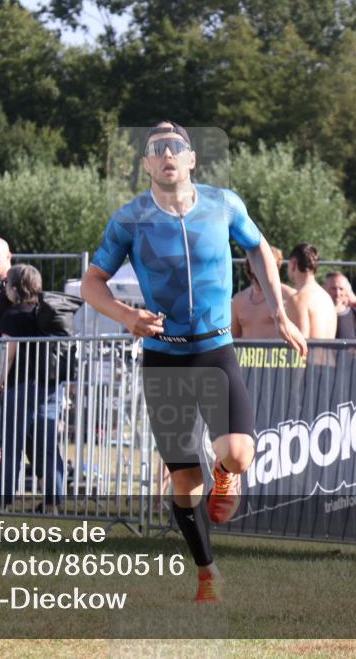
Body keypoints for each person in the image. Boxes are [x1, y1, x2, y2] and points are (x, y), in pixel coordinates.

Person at [81, 121, 306, 603]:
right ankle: (207, 571)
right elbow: (91, 282)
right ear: (146, 165)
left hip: (214, 348)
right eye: (155, 148)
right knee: (185, 481)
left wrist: (279, 312)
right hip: (164, 359)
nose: (166, 154)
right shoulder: (129, 218)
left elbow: (259, 248)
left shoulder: (224, 204)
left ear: (190, 159)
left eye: (175, 147)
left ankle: (226, 475)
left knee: (239, 453)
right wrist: (125, 316)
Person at [0, 264, 65, 509]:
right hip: (51, 387)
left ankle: (3, 500)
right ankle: (53, 502)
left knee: (12, 445)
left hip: (21, 386)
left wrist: (0, 380)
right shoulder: (48, 314)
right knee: (47, 447)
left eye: (8, 286)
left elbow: (9, 354)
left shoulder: (13, 316)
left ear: (15, 288)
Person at [231, 245, 295, 339]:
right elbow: (234, 338)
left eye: (269, 265)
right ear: (250, 266)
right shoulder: (239, 300)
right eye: (260, 264)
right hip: (247, 353)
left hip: (277, 352)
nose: (264, 270)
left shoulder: (290, 296)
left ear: (277, 266)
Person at [284, 243, 337, 339]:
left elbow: (298, 346)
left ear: (293, 263)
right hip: (327, 354)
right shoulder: (327, 298)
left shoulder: (298, 299)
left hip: (311, 354)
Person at [323, 271, 356, 340]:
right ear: (324, 289)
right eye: (333, 288)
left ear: (347, 291)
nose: (337, 293)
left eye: (341, 289)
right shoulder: (318, 314)